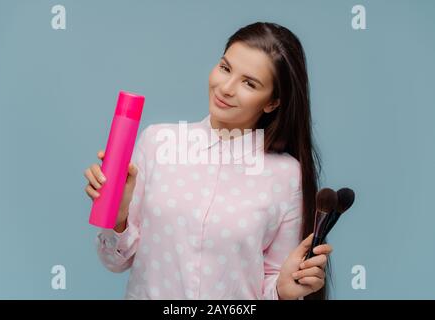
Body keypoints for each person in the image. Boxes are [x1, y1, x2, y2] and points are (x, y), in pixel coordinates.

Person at [84, 22, 332, 300]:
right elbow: (114, 262)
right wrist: (118, 218)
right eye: (225, 68)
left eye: (249, 83)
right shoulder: (157, 143)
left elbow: (272, 283)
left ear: (272, 102)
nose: (225, 88)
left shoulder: (286, 177)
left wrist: (283, 290)